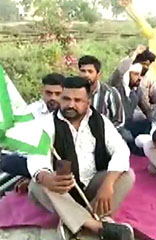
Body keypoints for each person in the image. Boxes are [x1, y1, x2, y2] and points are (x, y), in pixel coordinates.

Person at [27, 76, 134, 240]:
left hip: (93, 187)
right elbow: (36, 157)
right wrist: (47, 177)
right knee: (36, 184)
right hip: (64, 188)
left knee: (127, 175)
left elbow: (121, 151)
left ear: (88, 102)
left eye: (78, 100)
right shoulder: (47, 123)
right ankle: (95, 225)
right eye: (66, 98)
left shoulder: (100, 121)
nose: (70, 104)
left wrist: (108, 183)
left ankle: (75, 224)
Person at [0, 73, 65, 179]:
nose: (52, 98)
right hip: (33, 158)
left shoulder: (69, 114)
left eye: (57, 94)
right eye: (48, 93)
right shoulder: (33, 110)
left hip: (57, 160)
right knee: (7, 161)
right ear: (42, 91)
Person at [110, 62, 152, 155]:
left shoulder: (136, 91)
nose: (139, 78)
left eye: (140, 75)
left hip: (128, 124)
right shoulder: (114, 90)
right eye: (136, 74)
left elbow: (147, 110)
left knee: (148, 124)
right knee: (126, 137)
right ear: (126, 75)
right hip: (115, 127)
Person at [78, 55, 124, 128]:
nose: (86, 75)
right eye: (83, 71)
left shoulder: (110, 93)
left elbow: (119, 121)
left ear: (98, 75)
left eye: (90, 71)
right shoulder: (73, 93)